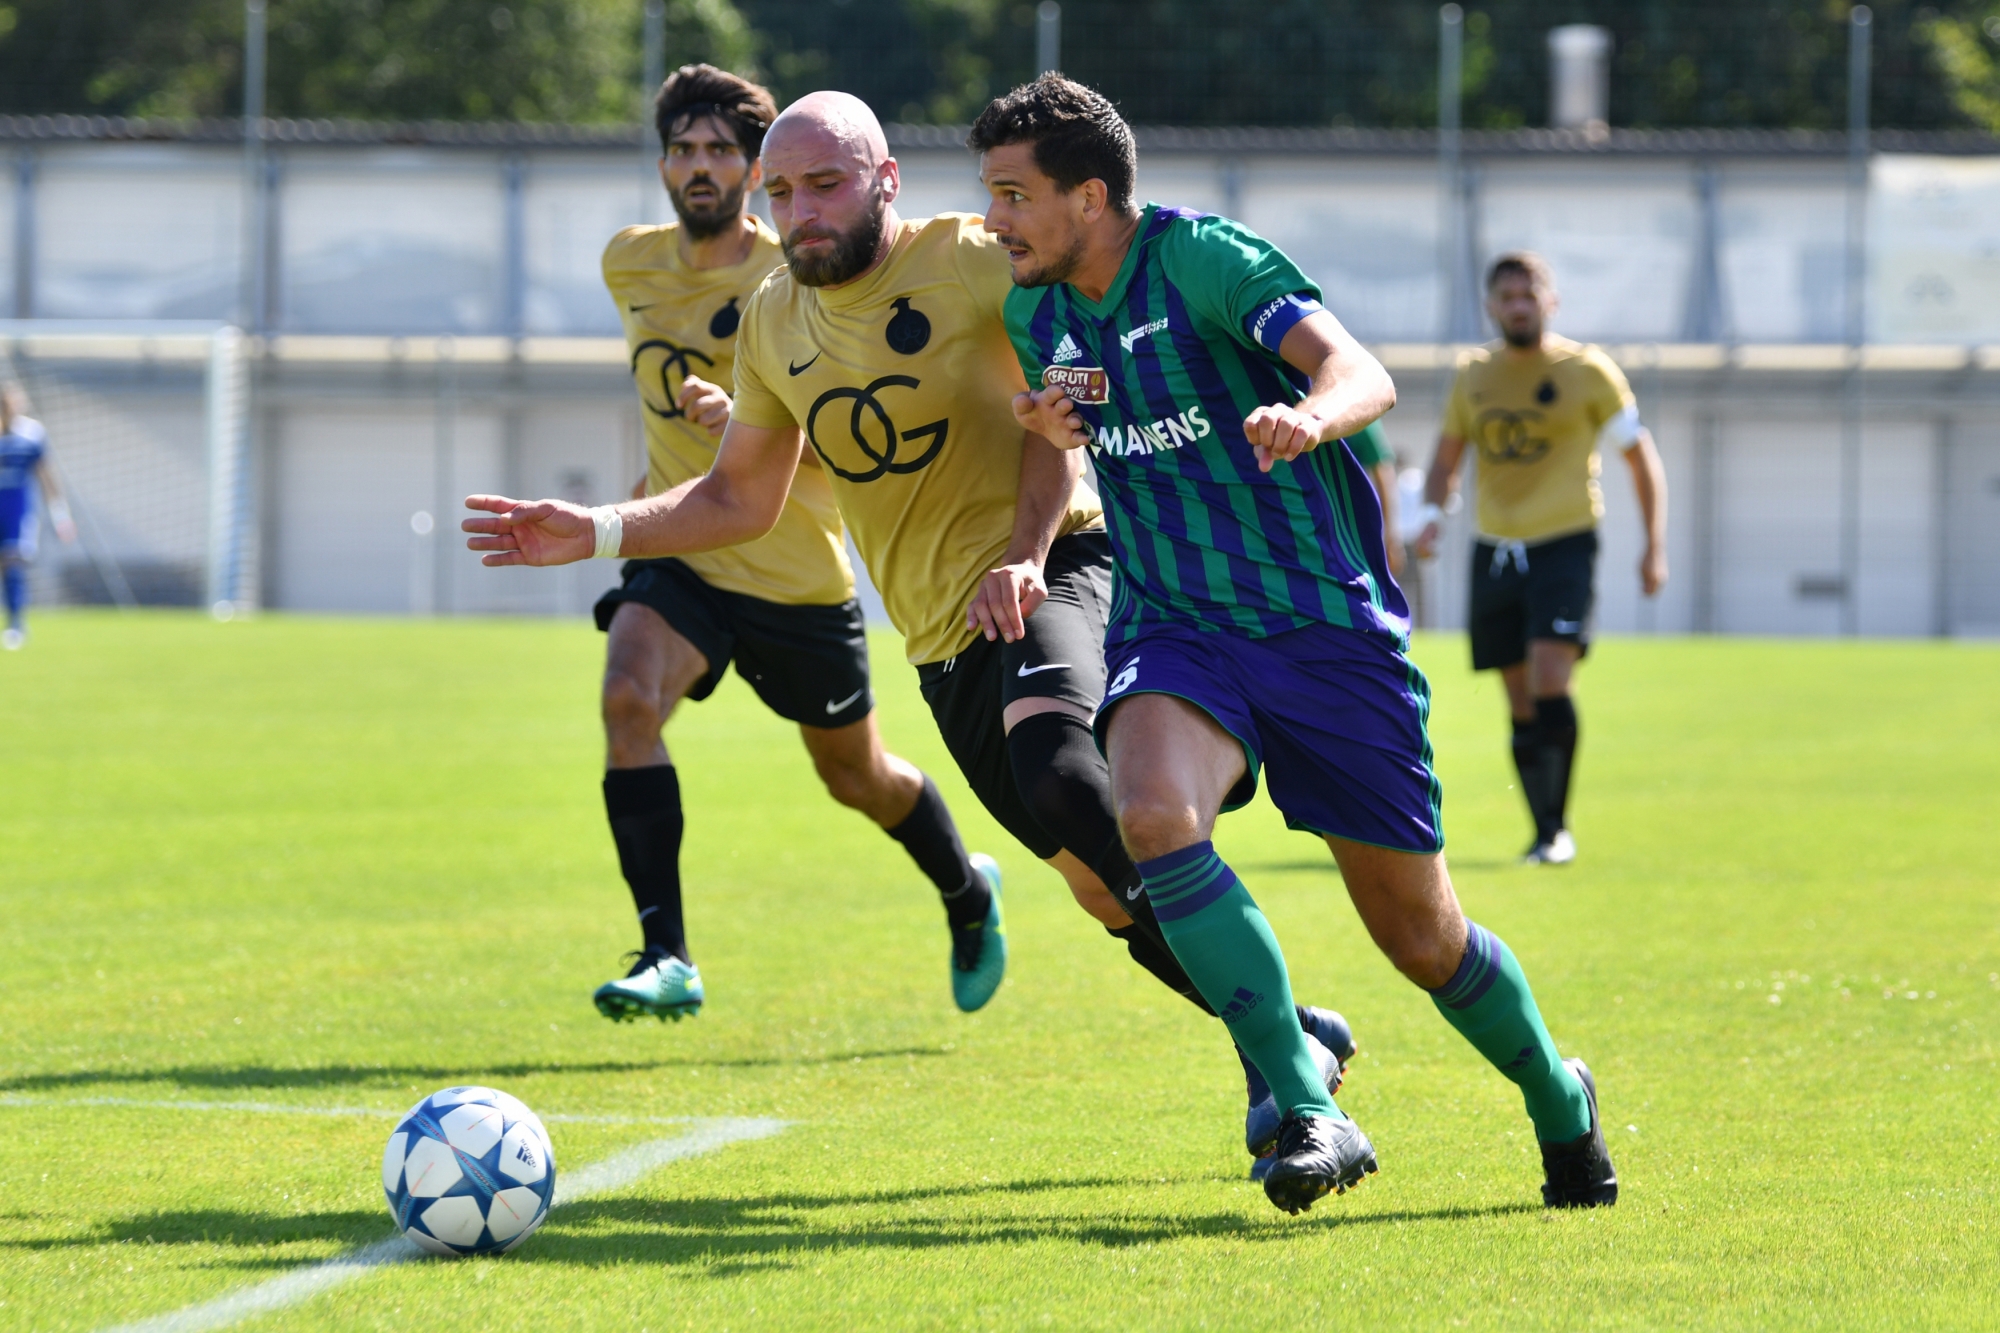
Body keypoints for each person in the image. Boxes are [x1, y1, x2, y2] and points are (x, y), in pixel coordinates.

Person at [464, 88, 1353, 1170]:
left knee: (1068, 779)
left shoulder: (979, 261)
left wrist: (1024, 553)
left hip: (1060, 567)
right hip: (938, 640)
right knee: (1088, 878)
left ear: (885, 178)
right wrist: (597, 529)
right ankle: (1284, 1030)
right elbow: (738, 498)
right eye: (781, 190)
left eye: (825, 183)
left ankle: (1289, 1082)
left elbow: (1060, 416)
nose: (799, 210)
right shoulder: (775, 323)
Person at [983, 74, 1616, 1214]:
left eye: (1012, 195)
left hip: (1323, 631)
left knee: (1421, 939)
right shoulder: (1039, 311)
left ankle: (1557, 1098)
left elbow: (1356, 371)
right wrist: (1032, 544)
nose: (994, 220)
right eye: (988, 195)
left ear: (1087, 196)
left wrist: (1306, 414)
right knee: (1151, 815)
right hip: (1174, 621)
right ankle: (1304, 1105)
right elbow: (1059, 433)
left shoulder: (1206, 260)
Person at [585, 64, 1001, 1023]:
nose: (701, 168)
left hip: (793, 570)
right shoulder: (628, 265)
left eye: (721, 152)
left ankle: (964, 888)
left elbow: (853, 444)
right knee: (624, 695)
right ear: (661, 165)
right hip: (683, 555)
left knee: (856, 774)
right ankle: (666, 953)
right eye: (684, 151)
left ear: (752, 168)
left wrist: (759, 419)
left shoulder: (804, 272)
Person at [1417, 253, 1669, 865]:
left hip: (1564, 541)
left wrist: (1654, 544)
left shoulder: (1587, 371)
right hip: (1495, 550)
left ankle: (1557, 828)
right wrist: (1429, 517)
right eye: (1506, 296)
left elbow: (1640, 456)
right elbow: (1447, 458)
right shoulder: (1473, 375)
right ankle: (1541, 830)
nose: (1519, 305)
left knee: (1551, 677)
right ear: (1491, 306)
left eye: (1529, 294)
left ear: (1551, 301)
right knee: (1519, 697)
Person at [0, 383, 76, 650]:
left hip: (17, 508)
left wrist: (60, 516)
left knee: (12, 561)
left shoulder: (31, 433)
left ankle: (16, 625)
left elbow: (46, 475)